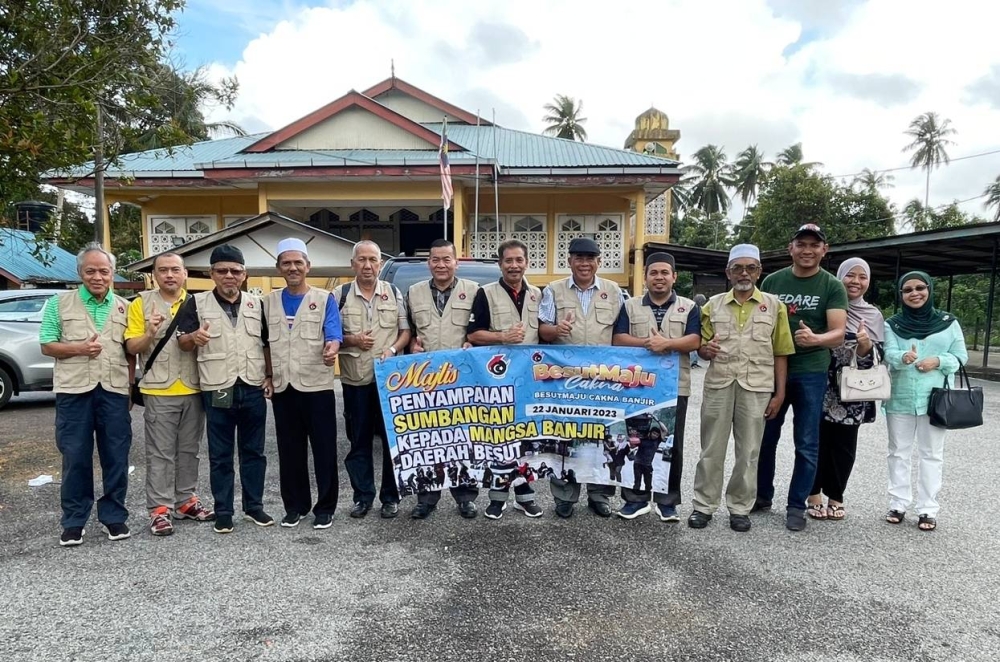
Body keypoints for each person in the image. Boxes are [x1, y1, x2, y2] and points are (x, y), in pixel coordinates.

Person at [688, 244, 794, 533]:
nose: (744, 273)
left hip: (757, 387)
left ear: (759, 271)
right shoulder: (712, 305)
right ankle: (704, 505)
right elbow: (701, 346)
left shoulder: (774, 306)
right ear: (728, 272)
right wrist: (705, 350)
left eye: (750, 268)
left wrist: (779, 393)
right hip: (720, 383)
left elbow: (781, 352)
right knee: (711, 448)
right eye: (738, 268)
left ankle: (739, 507)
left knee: (749, 451)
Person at [756, 224, 848, 532]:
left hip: (811, 371)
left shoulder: (831, 285)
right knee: (765, 438)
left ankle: (796, 505)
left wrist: (817, 339)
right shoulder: (772, 281)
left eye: (814, 245)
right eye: (801, 244)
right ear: (790, 248)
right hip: (770, 371)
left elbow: (838, 332)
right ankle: (761, 495)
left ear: (825, 249)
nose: (807, 250)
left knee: (806, 442)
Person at [40, 244, 133, 547]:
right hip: (74, 391)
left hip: (114, 390)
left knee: (116, 456)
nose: (97, 276)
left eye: (103, 271)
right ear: (80, 273)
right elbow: (47, 345)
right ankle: (74, 520)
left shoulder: (124, 306)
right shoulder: (59, 303)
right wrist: (79, 348)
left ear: (112, 274)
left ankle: (114, 516)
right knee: (75, 455)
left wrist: (130, 387)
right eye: (90, 271)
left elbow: (129, 351)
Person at [177, 244, 272, 534]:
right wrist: (194, 337)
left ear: (244, 274)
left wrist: (269, 375)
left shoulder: (257, 304)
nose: (229, 275)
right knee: (220, 454)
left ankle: (254, 506)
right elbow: (182, 341)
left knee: (253, 451)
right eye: (222, 270)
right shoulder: (196, 303)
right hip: (218, 386)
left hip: (252, 386)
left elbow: (265, 344)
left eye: (235, 270)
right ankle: (224, 511)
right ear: (212, 274)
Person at [125, 252, 213, 537]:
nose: (170, 275)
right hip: (158, 388)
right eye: (163, 270)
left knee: (190, 450)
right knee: (160, 453)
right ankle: (160, 510)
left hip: (193, 386)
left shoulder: (198, 303)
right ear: (154, 274)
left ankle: (186, 500)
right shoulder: (140, 304)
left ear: (185, 273)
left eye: (175, 270)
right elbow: (132, 347)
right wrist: (150, 332)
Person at [539, 236, 625, 518]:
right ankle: (565, 495)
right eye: (579, 258)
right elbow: (543, 331)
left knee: (603, 437)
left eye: (590, 259)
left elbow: (621, 335)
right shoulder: (553, 290)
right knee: (565, 439)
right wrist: (557, 330)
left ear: (598, 262)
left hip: (604, 381)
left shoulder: (615, 292)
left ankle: (599, 495)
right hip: (566, 381)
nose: (584, 263)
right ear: (569, 261)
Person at [611, 251, 700, 521]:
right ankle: (635, 499)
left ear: (674, 277)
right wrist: (649, 344)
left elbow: (695, 340)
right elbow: (618, 338)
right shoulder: (630, 306)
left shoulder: (689, 307)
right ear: (646, 277)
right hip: (637, 387)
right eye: (653, 273)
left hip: (675, 386)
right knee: (634, 441)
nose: (659, 278)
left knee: (672, 443)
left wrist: (668, 344)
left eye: (664, 273)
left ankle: (667, 501)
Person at [262, 238, 342, 530]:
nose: (293, 268)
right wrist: (268, 376)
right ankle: (294, 506)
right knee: (289, 449)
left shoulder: (324, 299)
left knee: (324, 448)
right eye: (287, 263)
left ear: (308, 267)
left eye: (298, 263)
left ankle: (326, 507)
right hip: (284, 387)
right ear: (279, 268)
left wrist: (332, 347)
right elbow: (264, 345)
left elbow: (333, 332)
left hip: (317, 385)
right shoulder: (268, 302)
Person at [883, 271, 967, 532]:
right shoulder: (893, 324)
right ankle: (898, 503)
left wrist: (939, 361)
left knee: (932, 454)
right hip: (901, 397)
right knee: (899, 452)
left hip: (936, 398)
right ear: (901, 295)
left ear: (930, 290)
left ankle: (928, 509)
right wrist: (902, 358)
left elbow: (961, 356)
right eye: (907, 290)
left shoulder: (948, 322)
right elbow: (888, 353)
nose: (914, 293)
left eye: (920, 288)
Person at [467, 238, 544, 519]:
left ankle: (525, 496)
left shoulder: (538, 294)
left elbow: (545, 336)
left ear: (526, 263)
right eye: (508, 261)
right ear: (500, 264)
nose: (514, 265)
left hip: (530, 382)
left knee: (526, 443)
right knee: (499, 443)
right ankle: (497, 498)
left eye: (519, 260)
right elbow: (474, 335)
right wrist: (502, 337)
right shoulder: (485, 294)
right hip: (497, 383)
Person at [406, 238, 480, 519]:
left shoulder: (473, 291)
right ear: (428, 263)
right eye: (435, 259)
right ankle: (427, 498)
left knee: (463, 441)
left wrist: (474, 346)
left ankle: (465, 497)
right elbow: (409, 331)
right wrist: (412, 345)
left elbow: (479, 330)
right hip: (426, 382)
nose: (441, 264)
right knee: (427, 442)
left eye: (446, 259)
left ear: (456, 262)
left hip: (462, 383)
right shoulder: (414, 292)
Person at [337, 240, 410, 520]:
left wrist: (392, 349)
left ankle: (390, 497)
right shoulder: (339, 295)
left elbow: (405, 332)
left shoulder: (393, 292)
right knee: (359, 443)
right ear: (353, 263)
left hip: (390, 384)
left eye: (373, 260)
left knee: (393, 443)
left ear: (381, 263)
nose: (367, 265)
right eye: (362, 259)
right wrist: (352, 340)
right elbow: (328, 336)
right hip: (355, 381)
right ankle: (362, 497)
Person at [807, 258, 885, 521]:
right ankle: (813, 493)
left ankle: (836, 495)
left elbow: (878, 356)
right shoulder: (826, 305)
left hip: (853, 389)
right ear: (839, 277)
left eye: (862, 277)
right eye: (850, 275)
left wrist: (864, 346)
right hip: (820, 381)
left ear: (868, 282)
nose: (856, 281)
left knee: (844, 446)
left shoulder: (873, 315)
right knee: (814, 440)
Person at [690, 294, 708, 367]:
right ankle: (693, 362)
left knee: (694, 347)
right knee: (694, 347)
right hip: (696, 330)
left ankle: (694, 361)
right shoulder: (699, 309)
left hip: (696, 329)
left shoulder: (697, 309)